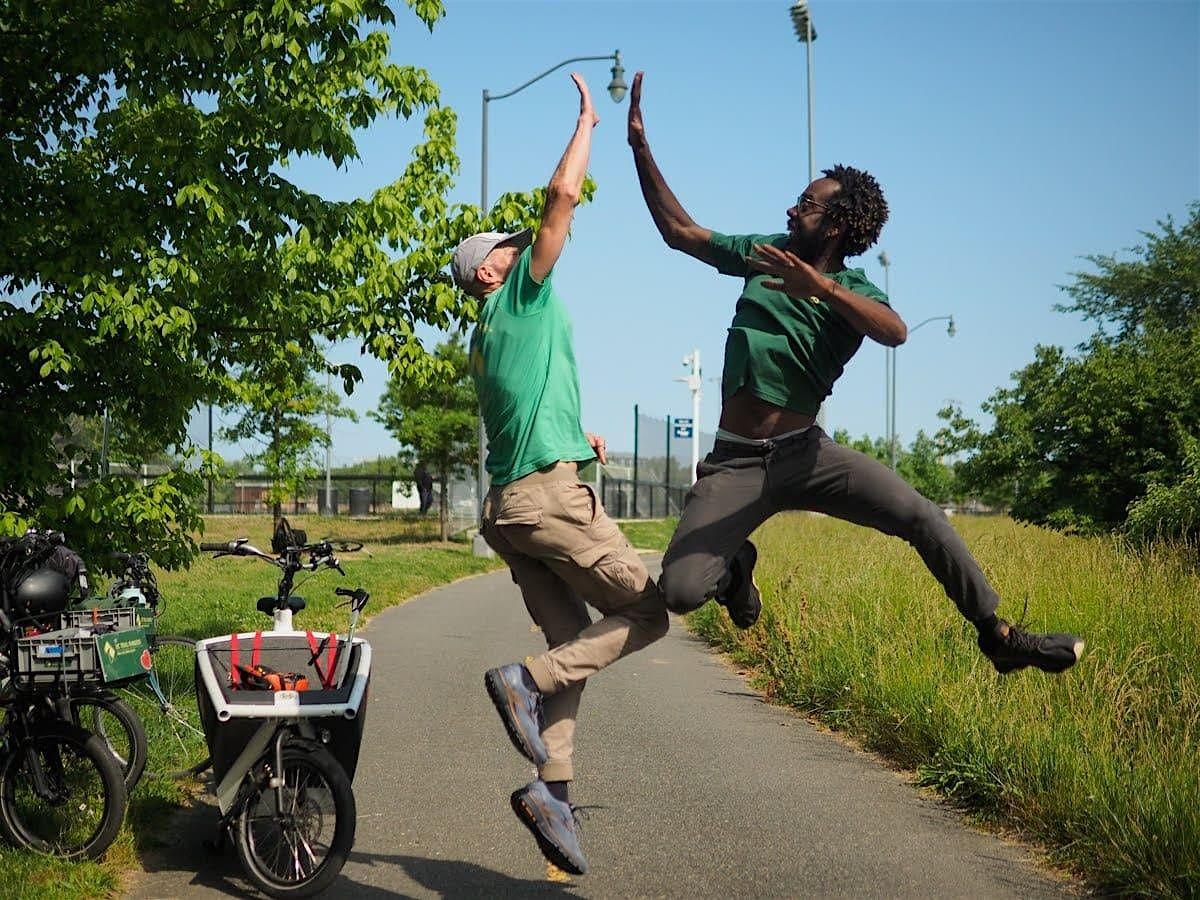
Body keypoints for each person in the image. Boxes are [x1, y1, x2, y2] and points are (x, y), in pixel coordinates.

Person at [626, 71, 1083, 676]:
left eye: (808, 204)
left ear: (836, 224)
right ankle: (737, 571)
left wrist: (818, 288)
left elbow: (893, 330)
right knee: (682, 591)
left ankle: (997, 633)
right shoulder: (765, 252)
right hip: (737, 460)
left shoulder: (852, 288)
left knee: (921, 515)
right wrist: (640, 148)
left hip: (808, 455)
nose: (793, 208)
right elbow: (680, 232)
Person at [453, 73, 669, 877]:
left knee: (576, 641)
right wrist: (586, 123)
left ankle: (553, 794)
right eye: (505, 250)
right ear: (486, 272)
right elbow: (559, 200)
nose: (524, 249)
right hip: (546, 500)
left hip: (511, 505)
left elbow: (527, 410)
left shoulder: (486, 337)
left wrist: (581, 444)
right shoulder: (520, 299)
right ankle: (524, 680)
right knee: (650, 615)